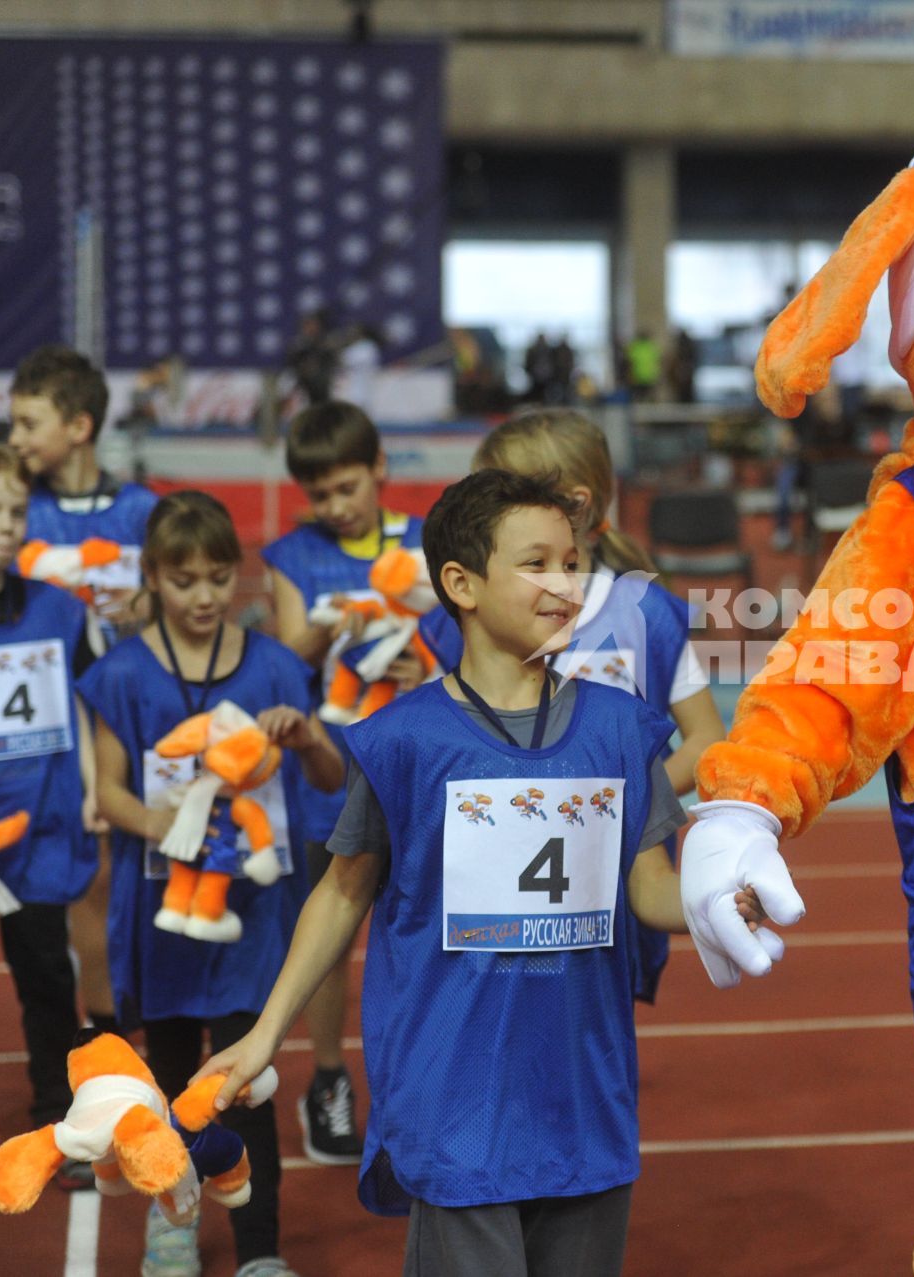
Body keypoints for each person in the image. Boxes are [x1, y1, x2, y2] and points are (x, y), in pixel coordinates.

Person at [191, 469, 763, 1277]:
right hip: (454, 1104)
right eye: (537, 563)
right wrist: (263, 1036)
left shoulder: (621, 729)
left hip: (585, 1102)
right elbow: (343, 889)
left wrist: (717, 900)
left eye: (573, 563)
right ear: (460, 582)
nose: (565, 584)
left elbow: (646, 886)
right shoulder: (402, 739)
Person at [79, 491, 342, 1277]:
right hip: (162, 916)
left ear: (239, 577)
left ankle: (261, 1250)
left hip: (253, 914)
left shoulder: (273, 665)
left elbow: (329, 776)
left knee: (244, 1080)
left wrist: (310, 735)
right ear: (153, 577)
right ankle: (171, 1225)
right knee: (163, 1082)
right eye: (184, 578)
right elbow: (110, 791)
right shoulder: (121, 673)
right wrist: (170, 823)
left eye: (218, 578)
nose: (203, 595)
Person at [422, 409, 726, 1001]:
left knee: (590, 1034)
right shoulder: (460, 615)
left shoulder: (646, 614)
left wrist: (613, 806)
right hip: (488, 877)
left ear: (576, 506)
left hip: (613, 882)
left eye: (497, 494)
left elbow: (706, 739)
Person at [261, 400, 424, 1165]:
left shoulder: (429, 542)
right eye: (319, 494)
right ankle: (328, 1078)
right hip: (331, 768)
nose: (334, 505)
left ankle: (417, 1080)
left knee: (426, 932)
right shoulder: (293, 554)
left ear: (380, 468)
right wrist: (335, 620)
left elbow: (467, 643)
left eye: (347, 487)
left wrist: (420, 667)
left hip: (423, 762)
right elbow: (282, 659)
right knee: (332, 938)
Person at [0, 445, 101, 1184]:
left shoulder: (61, 610)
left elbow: (90, 707)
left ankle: (55, 1113)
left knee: (45, 977)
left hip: (38, 831)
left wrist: (96, 788)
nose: (7, 527)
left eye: (16, 513)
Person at [8, 345, 158, 1061]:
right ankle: (101, 1035)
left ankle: (152, 1019)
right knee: (85, 881)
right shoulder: (15, 514)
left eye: (27, 422)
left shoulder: (142, 511)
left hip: (135, 722)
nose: (14, 439)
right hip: (46, 725)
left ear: (79, 425)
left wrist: (149, 602)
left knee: (144, 870)